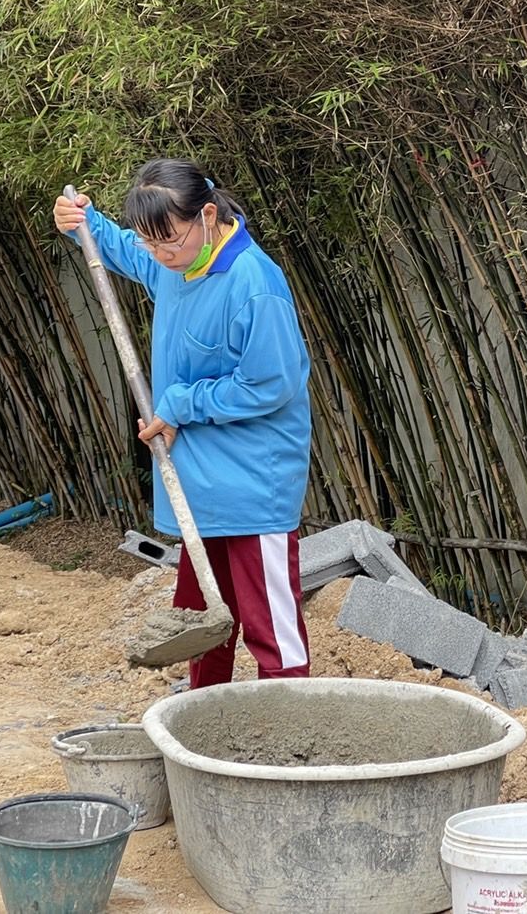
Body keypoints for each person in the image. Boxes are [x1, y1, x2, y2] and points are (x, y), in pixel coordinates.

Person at [53, 159, 313, 689]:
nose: (160, 256)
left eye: (168, 241)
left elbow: (271, 383)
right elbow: (127, 250)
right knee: (200, 622)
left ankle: (295, 726)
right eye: (153, 244)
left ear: (208, 215)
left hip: (251, 482)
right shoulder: (176, 264)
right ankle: (204, 719)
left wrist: (179, 404)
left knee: (270, 629)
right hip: (198, 482)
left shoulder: (253, 283)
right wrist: (85, 222)